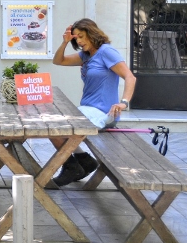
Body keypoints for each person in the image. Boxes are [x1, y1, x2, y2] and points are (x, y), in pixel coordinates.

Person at [51, 18, 137, 186]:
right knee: (54, 125)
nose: (80, 41)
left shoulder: (106, 51)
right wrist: (65, 42)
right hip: (87, 110)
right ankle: (83, 160)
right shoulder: (86, 55)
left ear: (92, 33)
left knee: (57, 128)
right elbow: (58, 61)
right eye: (76, 38)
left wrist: (124, 102)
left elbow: (130, 77)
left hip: (103, 112)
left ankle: (71, 167)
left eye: (82, 36)